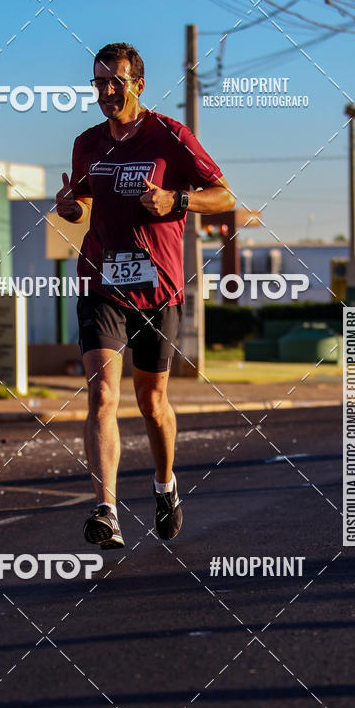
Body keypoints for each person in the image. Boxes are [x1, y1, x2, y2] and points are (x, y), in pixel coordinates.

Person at [56, 41, 235, 549]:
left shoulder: (171, 137)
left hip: (158, 288)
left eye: (116, 80)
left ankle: (165, 486)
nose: (106, 91)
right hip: (101, 283)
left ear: (138, 83)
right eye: (99, 82)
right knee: (101, 394)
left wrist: (176, 198)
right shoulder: (87, 142)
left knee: (151, 401)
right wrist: (70, 206)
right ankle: (106, 510)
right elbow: (83, 202)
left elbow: (224, 195)